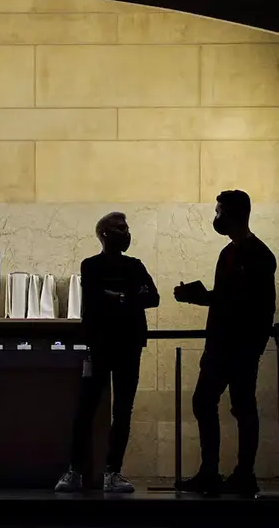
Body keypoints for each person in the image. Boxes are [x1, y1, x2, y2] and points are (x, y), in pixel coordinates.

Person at [174, 190, 276, 497]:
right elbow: (232, 300)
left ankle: (236, 473)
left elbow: (249, 304)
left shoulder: (257, 255)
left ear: (233, 214)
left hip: (239, 347)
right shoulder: (232, 253)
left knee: (236, 407)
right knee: (217, 404)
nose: (215, 218)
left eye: (219, 212)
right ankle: (224, 473)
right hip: (221, 346)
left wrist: (201, 297)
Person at [55, 212, 159, 494]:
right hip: (99, 346)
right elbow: (96, 297)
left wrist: (118, 296)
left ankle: (113, 471)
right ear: (103, 234)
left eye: (126, 227)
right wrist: (129, 296)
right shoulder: (91, 266)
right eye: (118, 228)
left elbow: (154, 297)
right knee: (85, 410)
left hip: (129, 346)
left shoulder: (135, 266)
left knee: (123, 410)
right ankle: (75, 471)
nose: (124, 232)